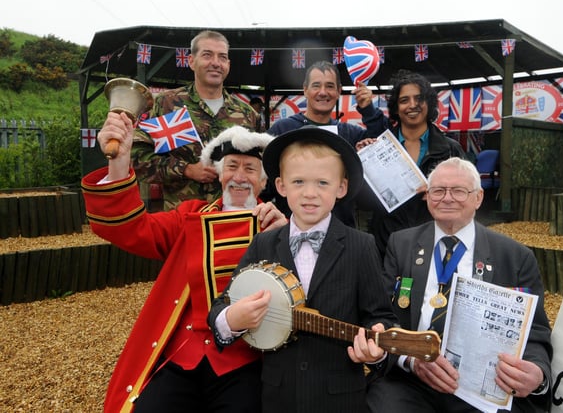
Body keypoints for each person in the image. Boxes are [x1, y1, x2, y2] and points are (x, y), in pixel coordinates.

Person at [82, 113, 287, 412]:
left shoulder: (279, 226)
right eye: (231, 166)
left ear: (265, 180)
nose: (240, 177)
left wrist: (288, 239)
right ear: (218, 174)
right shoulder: (190, 216)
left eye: (250, 169)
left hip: (244, 362)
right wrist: (119, 160)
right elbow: (128, 229)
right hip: (181, 354)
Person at [209, 127, 398, 413]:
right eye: (298, 182)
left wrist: (375, 351)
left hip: (341, 398)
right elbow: (221, 305)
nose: (310, 194)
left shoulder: (362, 246)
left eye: (323, 183)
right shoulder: (264, 242)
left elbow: (380, 315)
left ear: (341, 187)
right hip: (277, 395)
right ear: (281, 186)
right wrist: (231, 319)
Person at [367, 157, 552, 413]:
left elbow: (535, 333)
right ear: (427, 197)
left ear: (478, 198)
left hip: (481, 386)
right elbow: (383, 315)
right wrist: (410, 360)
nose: (447, 198)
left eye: (458, 191)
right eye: (438, 190)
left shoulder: (515, 257)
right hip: (412, 379)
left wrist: (538, 373)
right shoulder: (402, 244)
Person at [131, 30, 258, 210]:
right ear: (191, 61)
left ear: (228, 64)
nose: (215, 63)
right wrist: (186, 170)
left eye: (222, 57)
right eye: (207, 55)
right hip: (183, 220)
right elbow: (136, 156)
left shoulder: (248, 114)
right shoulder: (167, 104)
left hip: (232, 221)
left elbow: (258, 168)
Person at [356, 69, 466, 257]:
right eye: (404, 100)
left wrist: (437, 192)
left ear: (429, 103)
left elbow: (466, 197)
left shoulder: (451, 150)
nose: (412, 105)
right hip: (385, 243)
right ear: (396, 107)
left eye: (419, 98)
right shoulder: (377, 146)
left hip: (435, 243)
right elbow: (362, 200)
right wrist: (362, 161)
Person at [264, 60, 385, 227]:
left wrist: (369, 110)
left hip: (340, 234)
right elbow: (265, 183)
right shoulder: (282, 129)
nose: (323, 92)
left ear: (338, 91)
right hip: (291, 232)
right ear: (305, 90)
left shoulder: (350, 134)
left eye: (329, 86)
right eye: (316, 86)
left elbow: (384, 141)